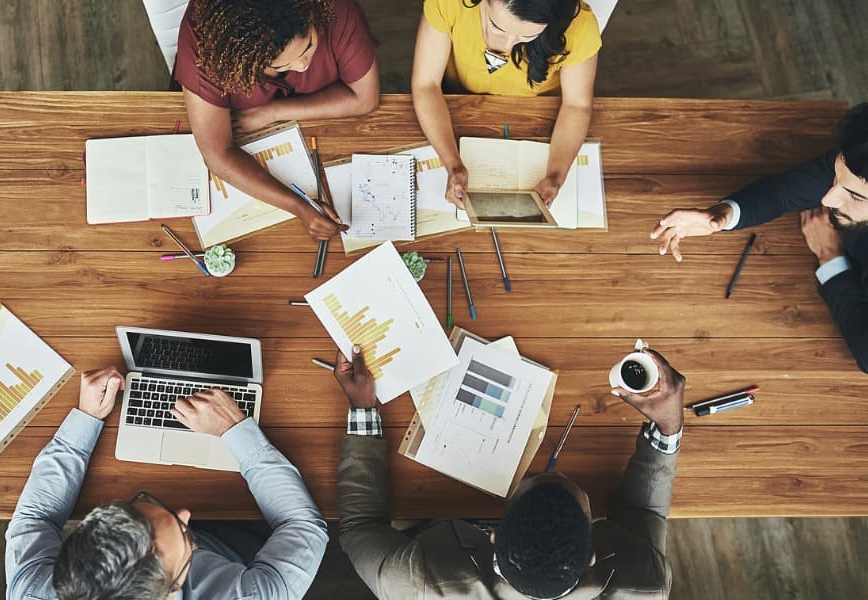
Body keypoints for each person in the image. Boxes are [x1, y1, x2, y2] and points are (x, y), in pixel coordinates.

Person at [335, 345, 683, 599]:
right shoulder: (644, 585)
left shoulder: (414, 583)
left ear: (493, 535)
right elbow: (643, 513)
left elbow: (359, 528)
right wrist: (667, 429)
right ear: (592, 552)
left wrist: (363, 410)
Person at [4, 367, 328, 599]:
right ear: (173, 591)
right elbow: (301, 525)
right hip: (245, 545)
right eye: (185, 536)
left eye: (141, 506)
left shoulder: (34, 589)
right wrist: (236, 430)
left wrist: (85, 419)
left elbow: (36, 518)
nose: (186, 513)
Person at [650, 102, 868, 373]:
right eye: (836, 179)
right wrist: (721, 216)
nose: (827, 198)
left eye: (855, 196)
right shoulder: (858, 160)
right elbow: (783, 193)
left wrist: (830, 258)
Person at [175, 0, 380, 242]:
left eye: (309, 45)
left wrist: (273, 112)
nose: (302, 66)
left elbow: (365, 99)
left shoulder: (333, 8)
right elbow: (217, 154)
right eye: (282, 65)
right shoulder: (208, 46)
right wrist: (300, 207)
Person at [411, 0, 601, 208]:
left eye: (527, 36)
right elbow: (426, 84)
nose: (508, 44)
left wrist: (556, 174)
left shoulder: (581, 26)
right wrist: (452, 163)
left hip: (538, 114)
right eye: (497, 27)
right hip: (458, 102)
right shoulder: (449, 4)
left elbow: (576, 106)